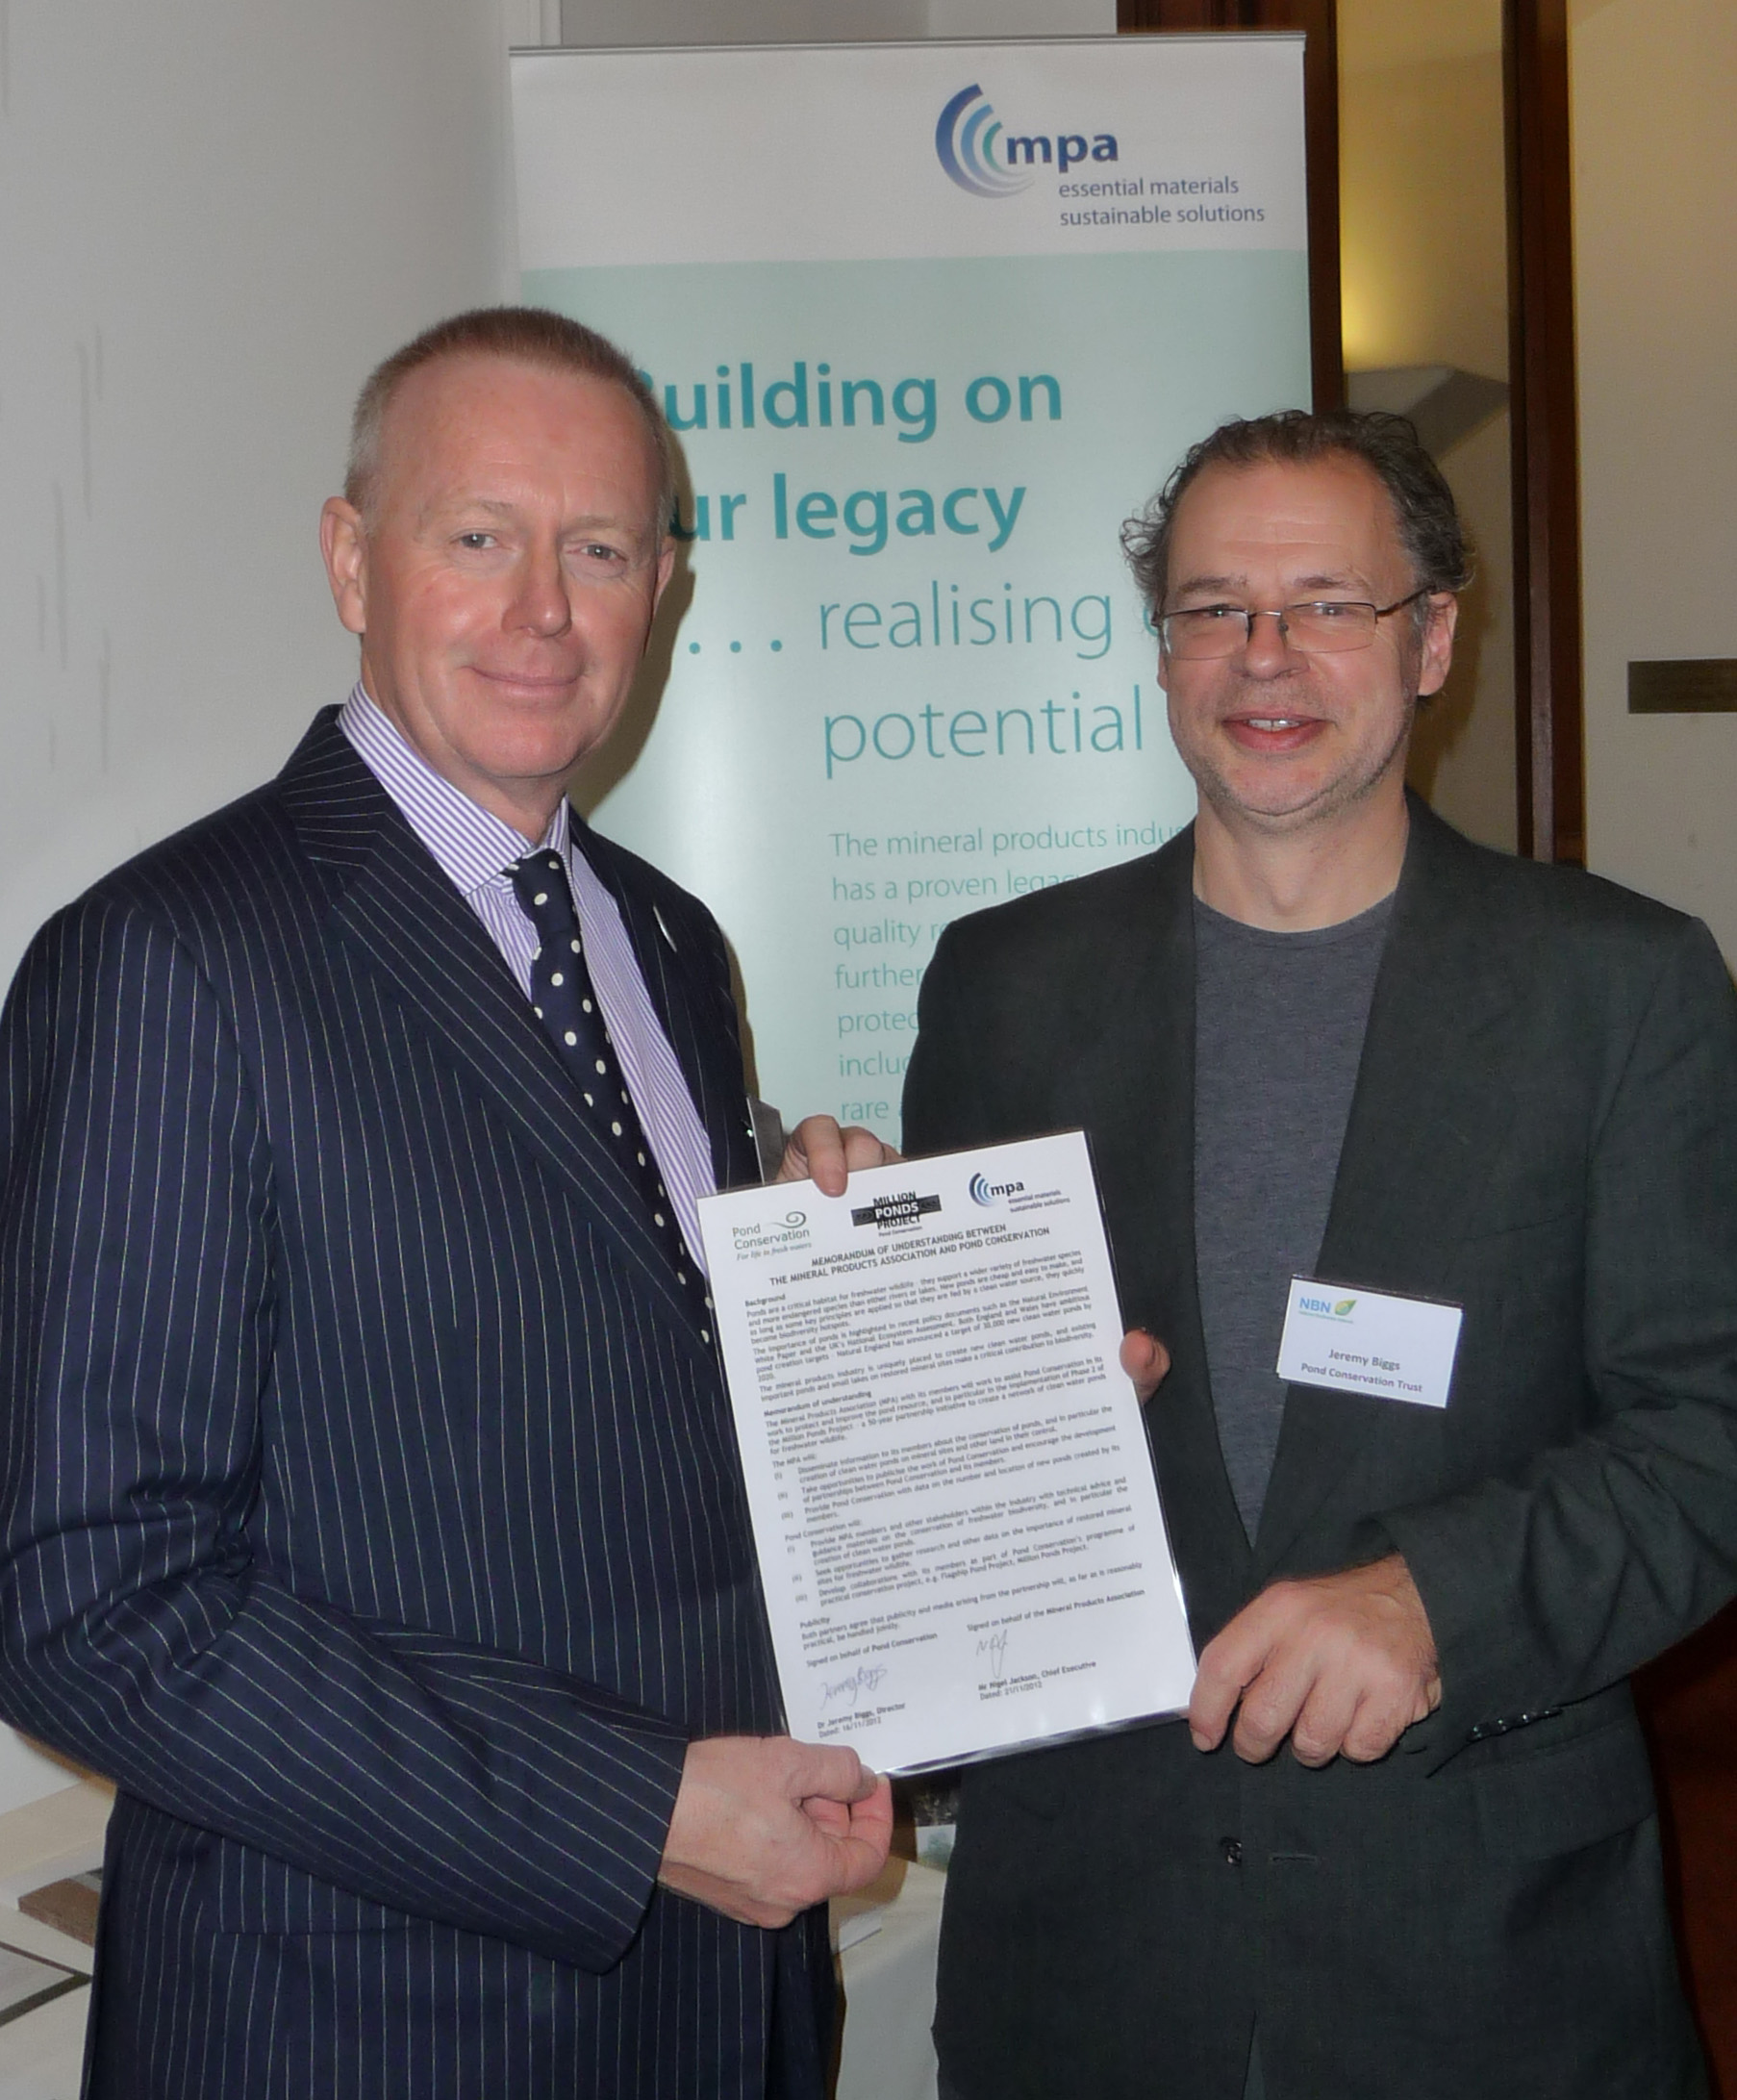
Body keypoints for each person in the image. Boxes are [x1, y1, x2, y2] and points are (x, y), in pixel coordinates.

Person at [0, 307, 892, 2100]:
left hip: (727, 2006)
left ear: (665, 583)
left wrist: (855, 1304)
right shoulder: (168, 961)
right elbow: (85, 1598)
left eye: (601, 549)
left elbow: (622, 1398)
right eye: (477, 536)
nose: (543, 610)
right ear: (351, 558)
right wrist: (632, 1810)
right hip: (371, 2028)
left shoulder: (666, 938)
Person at [902, 407, 1737, 2099]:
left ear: (1430, 638)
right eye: (1213, 608)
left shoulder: (1619, 989)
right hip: (1086, 1963)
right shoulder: (1003, 986)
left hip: (1483, 1963)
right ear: (1160, 653)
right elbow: (955, 1447)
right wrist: (855, 1261)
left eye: (1323, 603)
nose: (1262, 656)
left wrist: (1435, 1596)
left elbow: (1706, 1442)